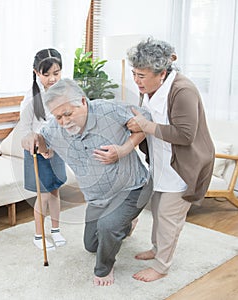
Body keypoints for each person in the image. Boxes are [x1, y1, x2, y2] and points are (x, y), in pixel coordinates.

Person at [31, 78, 151, 286]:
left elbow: (146, 120)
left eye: (68, 113)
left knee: (107, 226)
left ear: (84, 102)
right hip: (98, 198)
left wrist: (123, 149)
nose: (64, 121)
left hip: (132, 187)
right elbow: (42, 143)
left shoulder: (108, 110)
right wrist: (33, 140)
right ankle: (126, 223)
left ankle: (105, 270)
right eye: (58, 116)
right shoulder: (55, 129)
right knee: (91, 245)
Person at [126, 37, 215, 282]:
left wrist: (147, 125)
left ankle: (162, 267)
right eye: (134, 73)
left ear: (162, 72)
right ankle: (157, 249)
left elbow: (185, 136)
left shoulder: (182, 90)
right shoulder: (149, 88)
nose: (136, 80)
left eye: (141, 76)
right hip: (161, 162)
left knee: (168, 216)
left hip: (185, 165)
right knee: (157, 210)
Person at [20, 48, 67, 251]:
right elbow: (25, 132)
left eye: (56, 73)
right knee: (44, 195)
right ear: (36, 73)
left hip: (56, 150)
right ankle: (39, 235)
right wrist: (40, 147)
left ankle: (55, 230)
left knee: (56, 192)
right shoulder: (31, 98)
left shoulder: (62, 93)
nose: (52, 79)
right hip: (37, 151)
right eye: (46, 74)